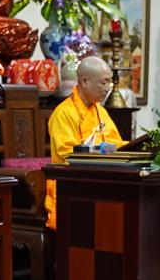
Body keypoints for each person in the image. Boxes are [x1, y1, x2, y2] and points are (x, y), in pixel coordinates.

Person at [45, 56, 125, 229]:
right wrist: (99, 150)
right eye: (103, 82)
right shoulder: (63, 113)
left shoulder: (101, 112)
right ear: (84, 81)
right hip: (71, 184)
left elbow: (116, 144)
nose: (108, 88)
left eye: (109, 82)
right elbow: (67, 154)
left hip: (101, 181)